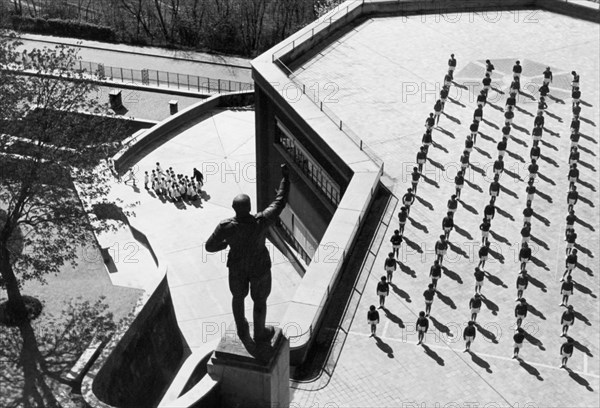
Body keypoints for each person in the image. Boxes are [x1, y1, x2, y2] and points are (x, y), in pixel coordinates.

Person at [205, 164, 290, 343]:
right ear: (250, 207)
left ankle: (241, 328)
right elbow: (280, 201)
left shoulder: (225, 227)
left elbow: (209, 247)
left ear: (233, 208)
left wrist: (225, 245)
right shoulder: (262, 221)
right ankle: (259, 333)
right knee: (260, 301)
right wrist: (285, 179)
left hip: (236, 266)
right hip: (259, 266)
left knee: (237, 297)